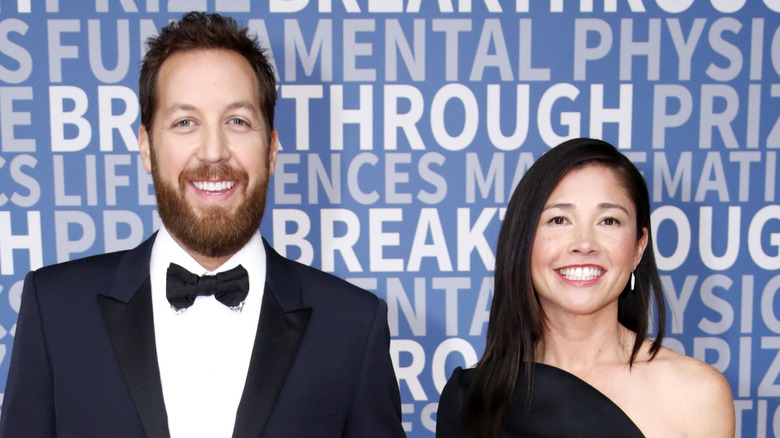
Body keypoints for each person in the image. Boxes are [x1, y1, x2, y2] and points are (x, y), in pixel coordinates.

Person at [0, 12, 405, 438]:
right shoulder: (57, 312)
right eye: (185, 123)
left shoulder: (352, 327)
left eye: (237, 122)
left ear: (271, 149)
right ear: (146, 146)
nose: (213, 152)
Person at [436, 138, 734, 437]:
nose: (584, 244)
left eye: (608, 221)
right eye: (559, 219)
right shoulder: (473, 399)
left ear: (638, 248)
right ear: (523, 241)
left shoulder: (696, 395)